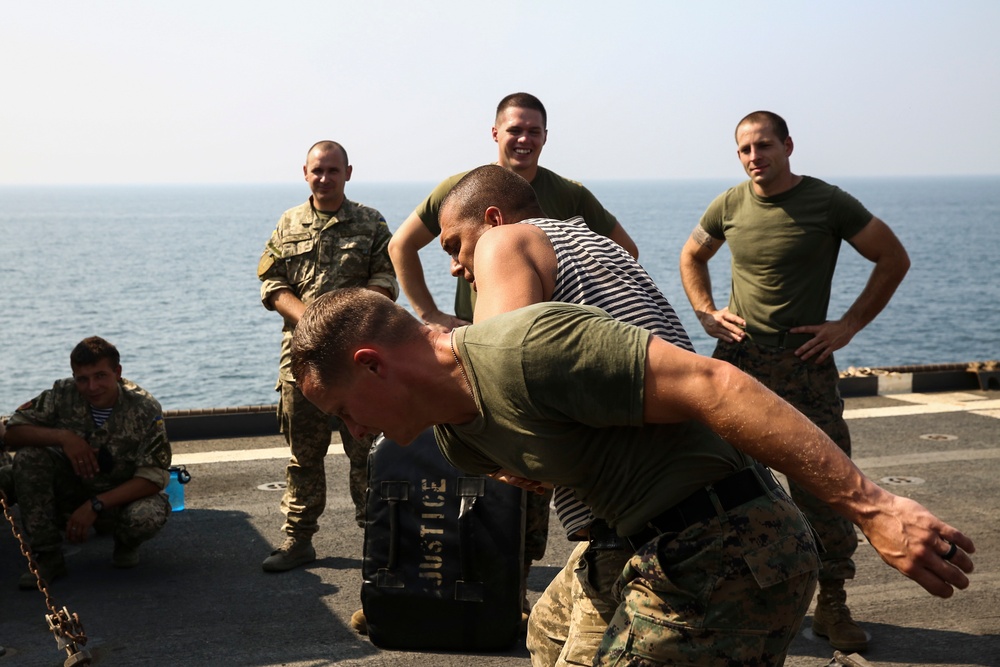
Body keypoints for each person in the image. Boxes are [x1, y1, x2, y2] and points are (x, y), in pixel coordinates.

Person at [289, 288, 973, 666]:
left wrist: (873, 506)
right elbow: (551, 460)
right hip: (645, 547)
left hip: (732, 546)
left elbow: (717, 384)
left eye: (346, 410)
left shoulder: (529, 349)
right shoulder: (458, 439)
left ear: (373, 362)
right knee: (549, 634)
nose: (354, 431)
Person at [388, 92, 637, 621]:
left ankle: (511, 594)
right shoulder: (461, 192)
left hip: (530, 360)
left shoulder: (563, 197)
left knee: (522, 494)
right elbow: (401, 246)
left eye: (533, 131)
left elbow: (622, 247)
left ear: (545, 137)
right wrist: (431, 313)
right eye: (514, 130)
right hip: (481, 352)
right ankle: (421, 586)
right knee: (462, 487)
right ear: (495, 134)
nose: (458, 264)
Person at [678, 110, 912, 653]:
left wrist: (848, 325)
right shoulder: (730, 204)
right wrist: (707, 311)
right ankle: (722, 596)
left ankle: (832, 605)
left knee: (823, 481)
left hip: (804, 363)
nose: (754, 158)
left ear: (788, 146)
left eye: (763, 146)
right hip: (740, 362)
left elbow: (891, 257)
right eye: (744, 150)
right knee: (716, 477)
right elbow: (693, 254)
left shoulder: (828, 202)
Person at [438, 164, 691, 665]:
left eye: (452, 245)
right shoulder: (595, 244)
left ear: (492, 219)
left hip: (651, 520)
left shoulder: (503, 242)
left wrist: (504, 456)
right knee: (545, 635)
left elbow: (495, 377)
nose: (454, 266)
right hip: (647, 503)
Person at [257, 140, 398, 573]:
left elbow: (387, 281)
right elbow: (272, 282)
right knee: (304, 457)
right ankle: (298, 541)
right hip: (301, 361)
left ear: (348, 173)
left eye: (333, 171)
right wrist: (312, 322)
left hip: (357, 363)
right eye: (317, 171)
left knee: (366, 456)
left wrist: (342, 324)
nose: (324, 178)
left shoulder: (371, 223)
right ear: (305, 172)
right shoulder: (288, 223)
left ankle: (378, 544)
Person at [2, 337, 171, 590]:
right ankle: (48, 556)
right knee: (28, 459)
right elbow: (12, 432)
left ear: (117, 372)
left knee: (145, 517)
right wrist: (64, 438)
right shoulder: (62, 394)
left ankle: (125, 544)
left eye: (100, 376)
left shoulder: (144, 408)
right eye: (82, 378)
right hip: (71, 490)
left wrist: (95, 505)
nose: (92, 386)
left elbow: (153, 478)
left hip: (119, 500)